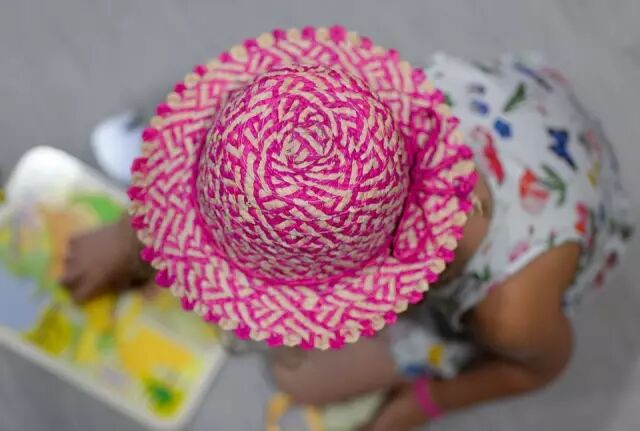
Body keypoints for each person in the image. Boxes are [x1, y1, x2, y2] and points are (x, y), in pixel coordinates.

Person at [61, 26, 633, 431]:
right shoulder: (320, 116)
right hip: (494, 123)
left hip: (550, 207)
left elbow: (538, 367)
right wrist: (128, 238)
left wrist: (421, 406)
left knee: (298, 379)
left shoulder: (510, 310)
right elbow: (212, 166)